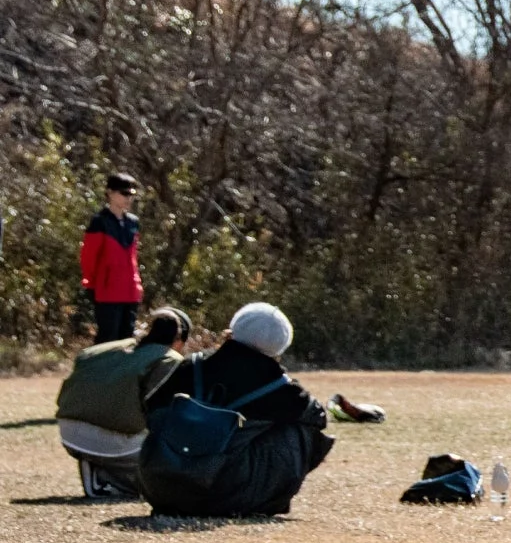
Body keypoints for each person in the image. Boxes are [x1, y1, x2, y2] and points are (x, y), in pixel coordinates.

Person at [140, 302, 334, 517]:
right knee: (301, 429)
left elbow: (151, 407)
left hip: (160, 487)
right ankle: (268, 500)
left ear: (233, 330)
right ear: (281, 345)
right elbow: (319, 417)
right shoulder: (280, 387)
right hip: (220, 494)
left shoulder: (192, 365)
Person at [56, 308, 191, 497]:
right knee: (165, 466)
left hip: (68, 432)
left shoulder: (109, 349)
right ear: (178, 340)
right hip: (112, 443)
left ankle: (97, 468)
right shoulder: (170, 358)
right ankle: (106, 481)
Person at [80, 173, 144, 343]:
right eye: (124, 193)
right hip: (107, 291)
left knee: (126, 340)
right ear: (110, 192)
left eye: (130, 194)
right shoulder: (99, 222)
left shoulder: (133, 222)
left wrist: (137, 284)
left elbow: (133, 257)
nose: (127, 198)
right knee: (107, 340)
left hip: (130, 291)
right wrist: (92, 284)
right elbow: (88, 257)